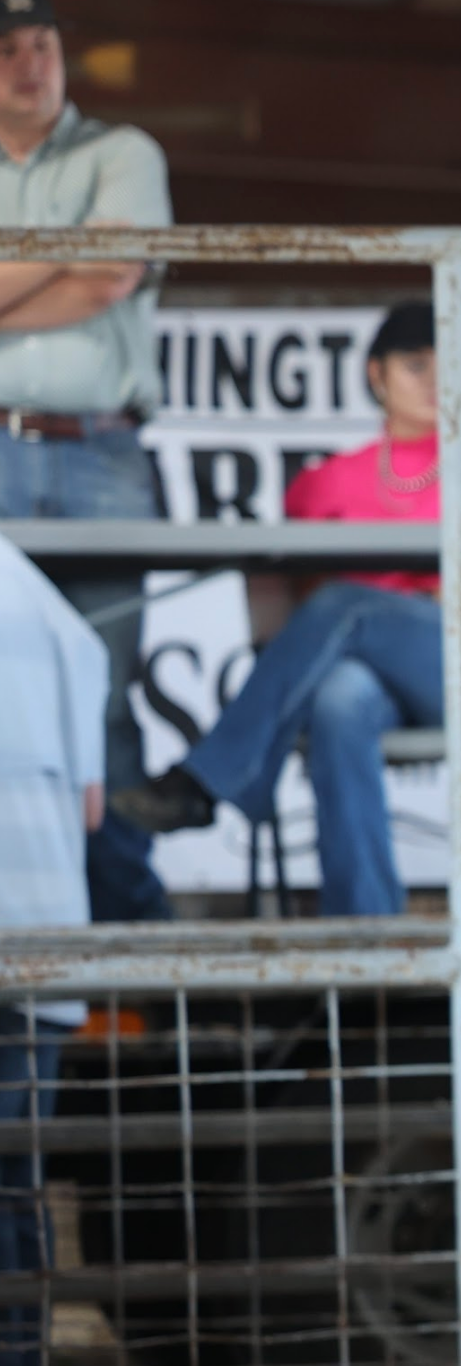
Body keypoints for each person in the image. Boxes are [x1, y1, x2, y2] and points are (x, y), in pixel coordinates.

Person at [106, 302, 461, 916]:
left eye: (452, 363)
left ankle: (211, 779)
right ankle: (372, 944)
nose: (436, 380)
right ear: (377, 375)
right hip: (383, 680)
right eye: (416, 365)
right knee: (339, 695)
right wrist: (392, 608)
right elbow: (301, 607)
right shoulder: (326, 483)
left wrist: (393, 609)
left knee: (352, 610)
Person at [0, 0, 169, 921]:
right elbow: (91, 268)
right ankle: (35, 944)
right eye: (9, 47)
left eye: (45, 42)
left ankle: (144, 955)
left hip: (99, 444)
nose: (32, 63)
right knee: (5, 708)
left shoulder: (124, 151)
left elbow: (113, 273)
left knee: (100, 706)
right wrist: (66, 265)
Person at [0, 530, 102, 1366]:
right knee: (14, 1186)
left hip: (28, 930)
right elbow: (93, 807)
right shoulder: (33, 590)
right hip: (39, 926)